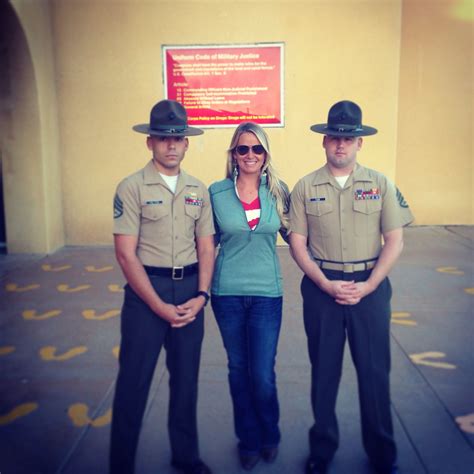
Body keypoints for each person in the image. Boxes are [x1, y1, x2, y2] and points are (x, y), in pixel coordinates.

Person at [289, 100, 413, 474]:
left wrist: (369, 285)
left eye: (349, 138)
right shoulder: (305, 187)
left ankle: (382, 453)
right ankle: (322, 449)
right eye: (334, 138)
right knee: (324, 373)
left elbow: (395, 239)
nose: (341, 145)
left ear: (360, 143)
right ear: (324, 142)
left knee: (375, 374)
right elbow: (297, 242)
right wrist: (326, 284)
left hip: (369, 289)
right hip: (322, 288)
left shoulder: (380, 184)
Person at [110, 99, 215, 474]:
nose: (171, 144)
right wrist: (157, 305)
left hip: (189, 293)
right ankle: (120, 465)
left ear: (187, 143)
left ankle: (186, 457)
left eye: (178, 137)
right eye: (162, 137)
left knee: (186, 383)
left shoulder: (198, 190)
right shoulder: (131, 187)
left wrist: (202, 296)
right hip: (145, 296)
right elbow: (126, 255)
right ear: (149, 142)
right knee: (133, 386)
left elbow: (206, 246)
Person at [209, 122, 290, 471]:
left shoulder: (279, 192)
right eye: (243, 149)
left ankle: (269, 433)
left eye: (257, 149)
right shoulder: (215, 193)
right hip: (226, 294)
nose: (250, 155)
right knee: (238, 370)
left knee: (262, 373)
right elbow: (203, 243)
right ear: (234, 155)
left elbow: (298, 236)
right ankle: (249, 439)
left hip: (266, 296)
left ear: (266, 154)